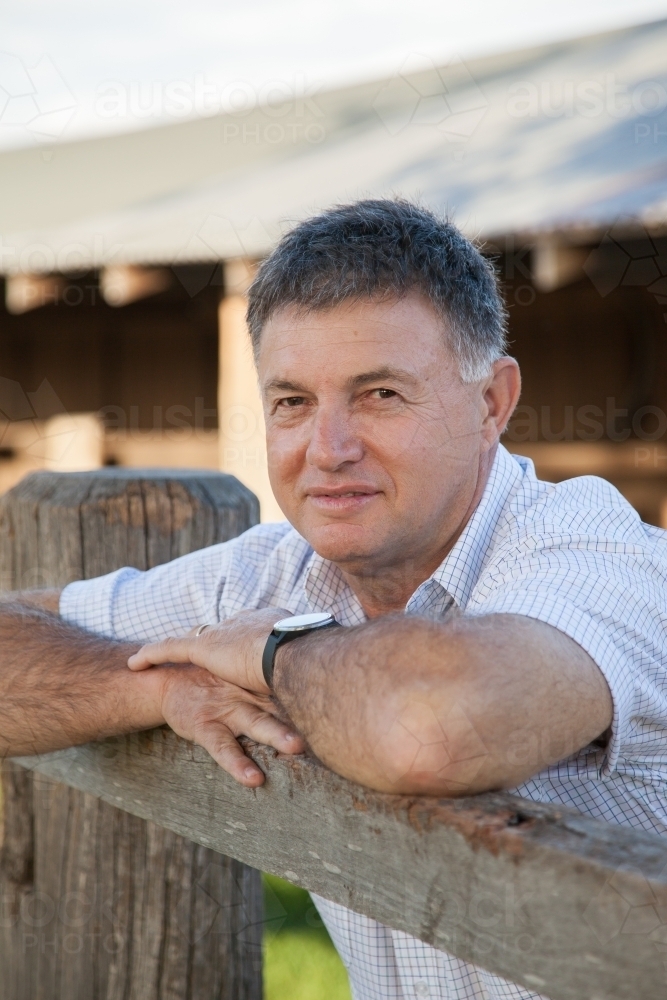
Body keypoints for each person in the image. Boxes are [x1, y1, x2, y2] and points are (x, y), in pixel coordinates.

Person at [2, 199, 666, 1000]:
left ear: (491, 403)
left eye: (380, 394)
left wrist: (270, 654)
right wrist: (159, 683)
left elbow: (428, 730)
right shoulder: (272, 572)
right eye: (292, 403)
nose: (328, 448)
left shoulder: (596, 552)